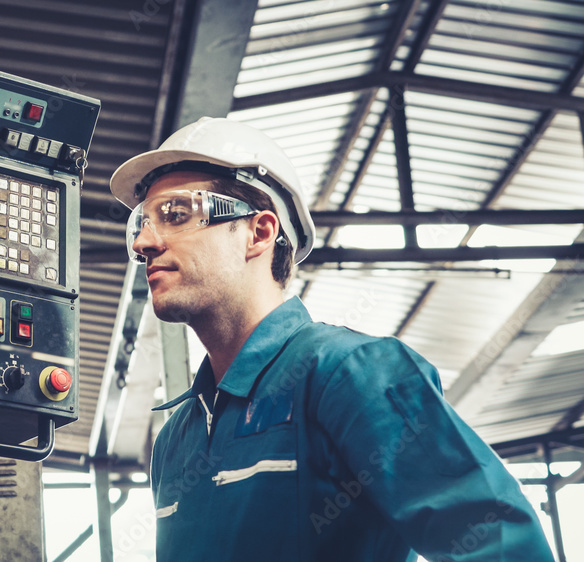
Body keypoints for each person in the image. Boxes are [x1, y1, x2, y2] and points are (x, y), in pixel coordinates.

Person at [108, 117, 555, 561]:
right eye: (140, 223)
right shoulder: (174, 440)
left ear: (259, 233)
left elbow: (504, 548)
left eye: (176, 214)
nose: (143, 242)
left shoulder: (352, 374)